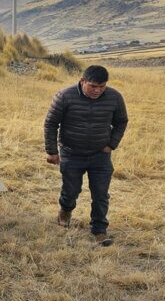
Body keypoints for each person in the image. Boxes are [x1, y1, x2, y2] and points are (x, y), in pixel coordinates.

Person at [44, 65, 128, 246]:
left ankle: (99, 229)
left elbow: (121, 122)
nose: (97, 90)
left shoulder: (114, 97)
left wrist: (111, 144)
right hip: (71, 153)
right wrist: (52, 151)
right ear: (82, 81)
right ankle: (65, 211)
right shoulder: (64, 96)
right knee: (71, 191)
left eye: (102, 86)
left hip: (100, 155)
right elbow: (51, 123)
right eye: (92, 86)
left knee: (101, 194)